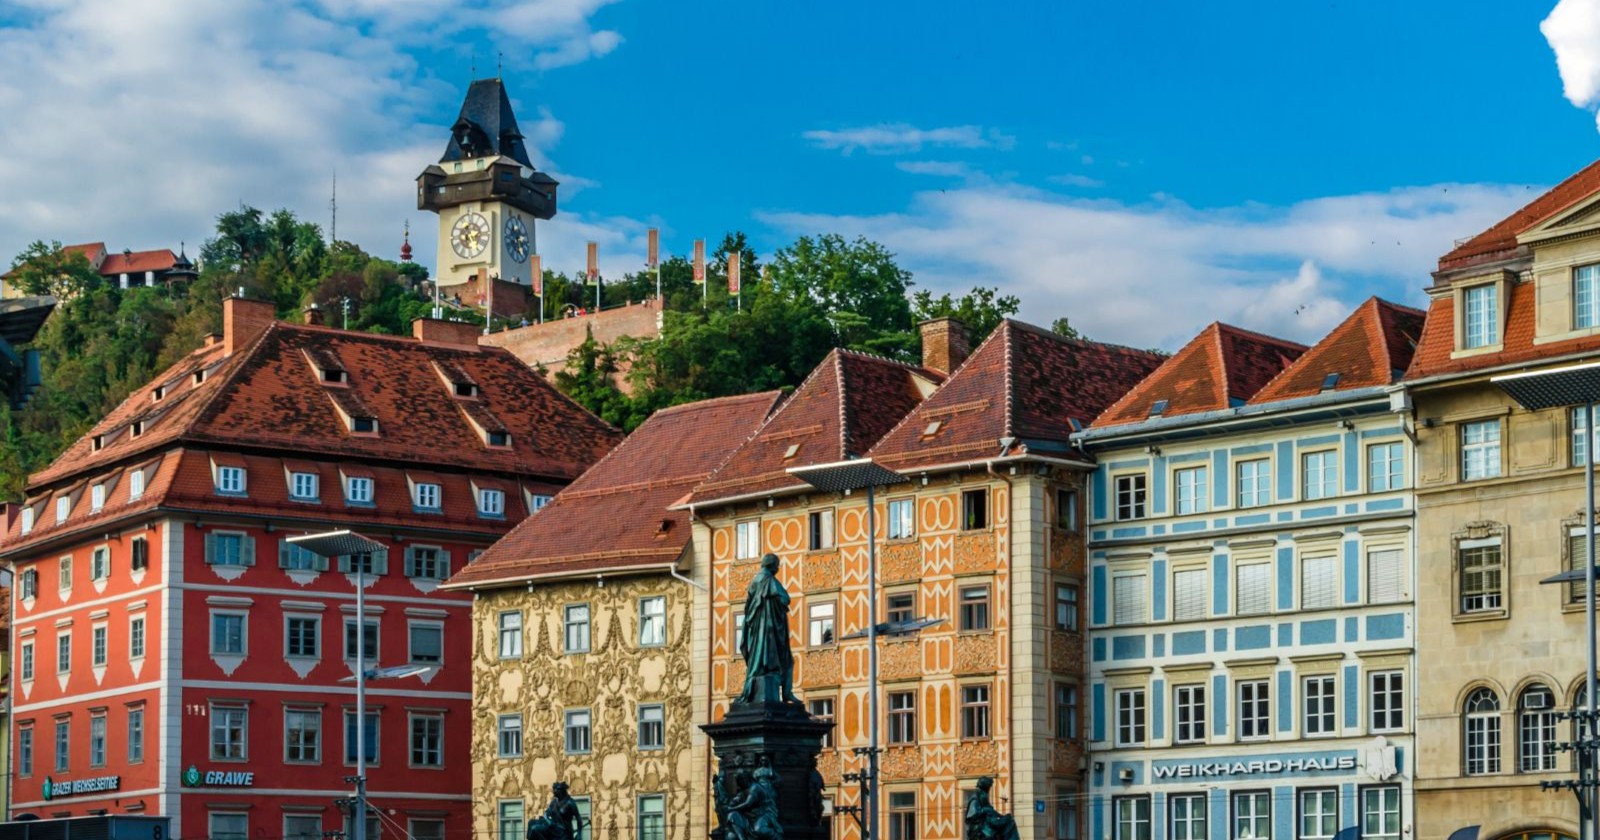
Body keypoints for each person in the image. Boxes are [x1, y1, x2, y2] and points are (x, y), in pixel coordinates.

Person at [738, 553, 798, 704]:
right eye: (777, 565)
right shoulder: (769, 580)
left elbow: (747, 608)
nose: (778, 568)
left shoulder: (755, 581)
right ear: (772, 565)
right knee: (786, 661)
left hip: (759, 632)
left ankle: (784, 692)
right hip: (770, 631)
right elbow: (785, 598)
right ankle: (786, 693)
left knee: (772, 661)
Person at [723, 766, 783, 840]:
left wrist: (730, 808)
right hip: (750, 816)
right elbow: (738, 798)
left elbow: (748, 804)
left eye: (742, 780)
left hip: (764, 813)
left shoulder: (755, 787)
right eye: (739, 781)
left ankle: (776, 837)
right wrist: (732, 803)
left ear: (746, 778)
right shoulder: (745, 789)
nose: (741, 783)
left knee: (759, 830)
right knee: (732, 816)